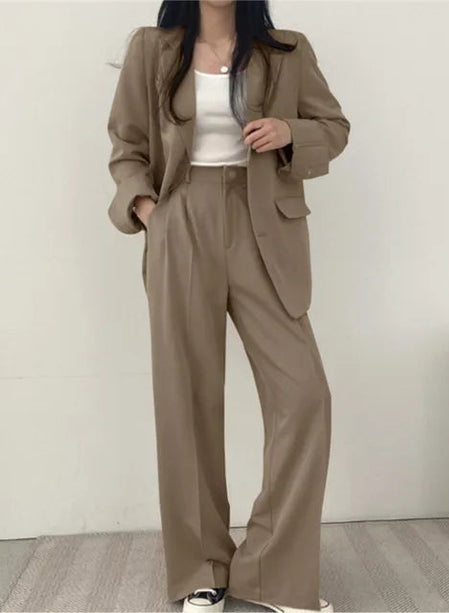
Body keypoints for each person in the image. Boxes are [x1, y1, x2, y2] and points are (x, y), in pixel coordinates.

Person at [107, 1, 350, 612]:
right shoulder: (152, 49)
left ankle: (273, 574)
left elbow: (334, 127)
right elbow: (127, 144)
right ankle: (201, 568)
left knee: (304, 395)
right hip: (181, 217)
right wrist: (151, 213)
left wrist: (291, 132)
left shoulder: (286, 49)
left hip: (263, 222)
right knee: (187, 399)